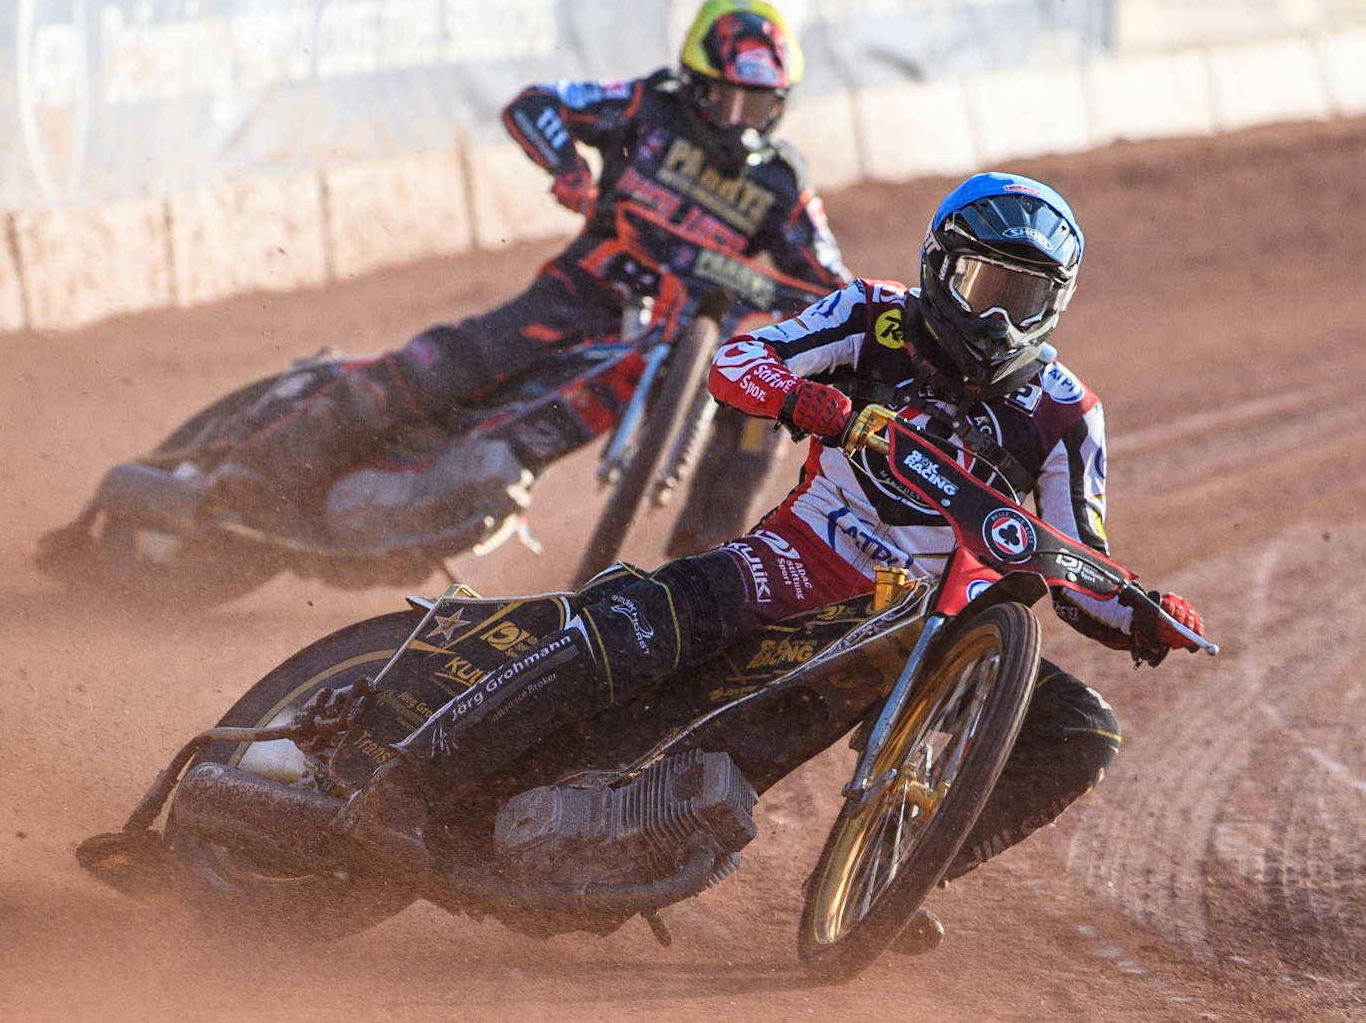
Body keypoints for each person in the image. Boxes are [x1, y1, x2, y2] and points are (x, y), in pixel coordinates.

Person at [336, 171, 1206, 953]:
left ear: (1056, 302)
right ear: (939, 267)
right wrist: (807, 401)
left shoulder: (1066, 412)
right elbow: (736, 362)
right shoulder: (872, 313)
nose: (995, 319)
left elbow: (1077, 564)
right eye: (983, 286)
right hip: (796, 558)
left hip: (919, 625)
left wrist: (1145, 613)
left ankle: (896, 873)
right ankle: (407, 781)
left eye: (1022, 298)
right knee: (644, 622)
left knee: (1081, 731)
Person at [204, 0, 852, 544]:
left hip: (676, 341)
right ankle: (257, 471)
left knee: (758, 412)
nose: (739, 123)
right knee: (445, 364)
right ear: (692, 84)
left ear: (781, 106)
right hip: (580, 291)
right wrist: (567, 167)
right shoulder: (646, 104)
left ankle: (705, 577)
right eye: (725, 100)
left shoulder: (781, 180)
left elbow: (830, 288)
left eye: (757, 107)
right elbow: (535, 104)